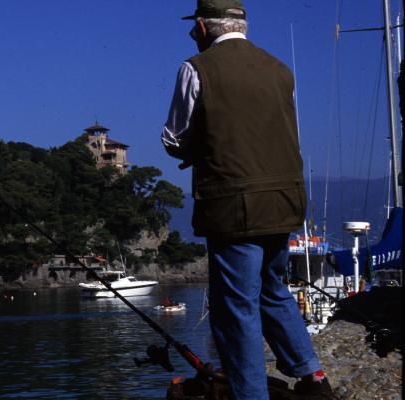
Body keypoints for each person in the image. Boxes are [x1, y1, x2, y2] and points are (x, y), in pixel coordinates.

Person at [161, 1, 335, 398]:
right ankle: (314, 378)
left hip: (233, 204)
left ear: (204, 27)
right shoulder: (279, 69)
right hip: (285, 199)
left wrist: (196, 149)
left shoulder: (196, 68)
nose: (192, 35)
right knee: (272, 288)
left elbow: (174, 138)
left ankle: (250, 394)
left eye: (194, 28)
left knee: (235, 307)